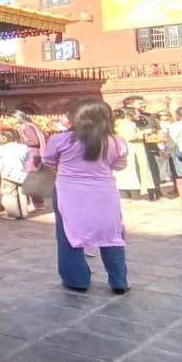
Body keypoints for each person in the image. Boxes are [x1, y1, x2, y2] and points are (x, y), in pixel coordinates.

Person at [42, 100, 131, 293]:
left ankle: (77, 280)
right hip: (104, 192)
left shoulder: (60, 140)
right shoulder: (117, 141)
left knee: (68, 235)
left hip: (68, 193)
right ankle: (119, 281)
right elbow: (119, 165)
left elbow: (48, 161)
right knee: (112, 235)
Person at [113, 108, 157, 200]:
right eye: (136, 114)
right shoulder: (128, 124)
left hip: (118, 149)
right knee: (134, 172)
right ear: (128, 115)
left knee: (121, 173)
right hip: (132, 149)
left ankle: (124, 195)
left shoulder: (113, 123)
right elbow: (131, 136)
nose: (138, 116)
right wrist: (144, 133)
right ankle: (136, 195)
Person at [0, 129, 32, 218]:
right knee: (22, 193)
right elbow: (28, 159)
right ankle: (23, 213)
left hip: (7, 174)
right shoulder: (24, 147)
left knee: (10, 194)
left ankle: (13, 214)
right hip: (22, 173)